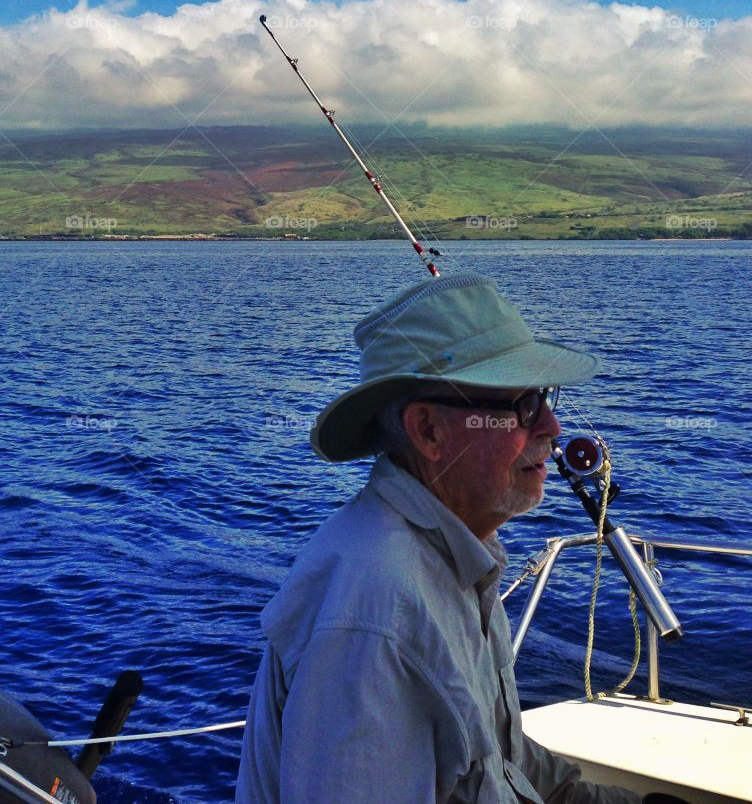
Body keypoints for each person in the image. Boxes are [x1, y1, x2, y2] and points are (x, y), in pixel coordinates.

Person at [236, 272, 667, 804]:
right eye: (523, 404)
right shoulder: (376, 613)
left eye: (545, 397)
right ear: (429, 431)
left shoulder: (457, 557)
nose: (553, 427)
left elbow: (506, 766)